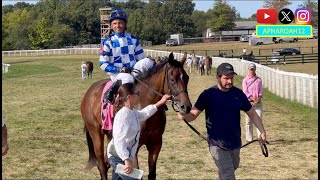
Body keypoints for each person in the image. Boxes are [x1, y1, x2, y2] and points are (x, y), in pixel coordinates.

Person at [177, 62, 267, 180]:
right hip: (217, 144)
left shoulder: (238, 94)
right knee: (229, 176)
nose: (229, 81)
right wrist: (184, 115)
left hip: (235, 143)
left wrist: (262, 131)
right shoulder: (208, 95)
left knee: (227, 171)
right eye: (226, 78)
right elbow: (193, 115)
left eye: (231, 78)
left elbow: (253, 114)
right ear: (218, 77)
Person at [107, 83, 171, 179]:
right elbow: (119, 140)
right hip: (117, 156)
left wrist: (161, 102)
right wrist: (126, 160)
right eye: (137, 93)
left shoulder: (132, 111)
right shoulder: (123, 115)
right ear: (129, 97)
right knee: (136, 178)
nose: (139, 95)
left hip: (122, 155)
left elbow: (144, 114)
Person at [99, 9, 145, 104]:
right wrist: (120, 70)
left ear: (124, 24)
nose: (117, 26)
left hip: (133, 70)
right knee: (127, 78)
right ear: (111, 25)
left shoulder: (133, 39)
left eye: (120, 23)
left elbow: (141, 59)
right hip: (117, 73)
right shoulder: (107, 42)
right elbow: (103, 64)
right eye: (115, 23)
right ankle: (125, 105)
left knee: (148, 65)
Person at [242, 63, 263, 143]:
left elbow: (261, 91)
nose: (252, 71)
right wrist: (252, 99)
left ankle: (260, 137)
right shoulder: (245, 80)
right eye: (251, 69)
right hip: (249, 103)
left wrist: (258, 99)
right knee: (248, 121)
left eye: (253, 69)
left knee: (259, 119)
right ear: (248, 70)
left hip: (258, 103)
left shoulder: (258, 80)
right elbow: (245, 92)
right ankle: (249, 138)